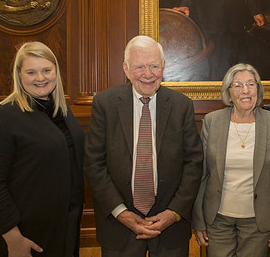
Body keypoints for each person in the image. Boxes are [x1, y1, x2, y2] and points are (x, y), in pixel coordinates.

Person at [85, 35, 203, 256]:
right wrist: (120, 212)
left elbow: (193, 164)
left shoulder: (181, 106)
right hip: (119, 225)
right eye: (140, 67)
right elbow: (94, 164)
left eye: (154, 66)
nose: (148, 74)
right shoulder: (105, 104)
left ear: (163, 67)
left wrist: (174, 212)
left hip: (170, 226)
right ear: (126, 69)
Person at [0, 41, 85, 256]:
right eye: (31, 72)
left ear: (56, 71)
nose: (40, 78)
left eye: (46, 70)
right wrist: (13, 238)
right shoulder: (1, 118)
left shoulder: (61, 111)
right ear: (19, 75)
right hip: (25, 234)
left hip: (64, 227)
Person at [192, 63, 270, 256]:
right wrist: (198, 220)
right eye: (237, 85)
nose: (245, 90)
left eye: (251, 84)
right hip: (217, 219)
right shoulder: (212, 121)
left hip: (258, 220)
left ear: (258, 89)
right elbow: (200, 174)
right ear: (228, 93)